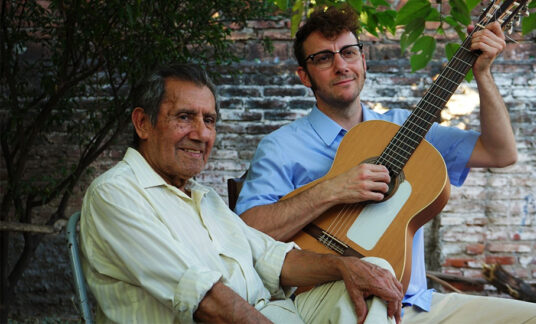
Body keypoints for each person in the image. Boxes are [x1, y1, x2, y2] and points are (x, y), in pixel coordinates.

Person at [234, 5, 536, 323]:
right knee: (368, 298)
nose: (341, 65)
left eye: (349, 52)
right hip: (331, 299)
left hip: (416, 305)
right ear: (304, 76)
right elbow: (246, 234)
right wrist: (333, 189)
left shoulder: (405, 127)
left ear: (363, 61)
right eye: (323, 58)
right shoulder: (281, 146)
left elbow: (500, 152)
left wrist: (483, 75)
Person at [79, 63, 405, 323]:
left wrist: (344, 267)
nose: (201, 134)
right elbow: (207, 301)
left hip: (275, 314)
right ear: (142, 123)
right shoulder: (116, 194)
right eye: (184, 117)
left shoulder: (203, 197)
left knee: (372, 273)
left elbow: (272, 258)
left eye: (209, 120)